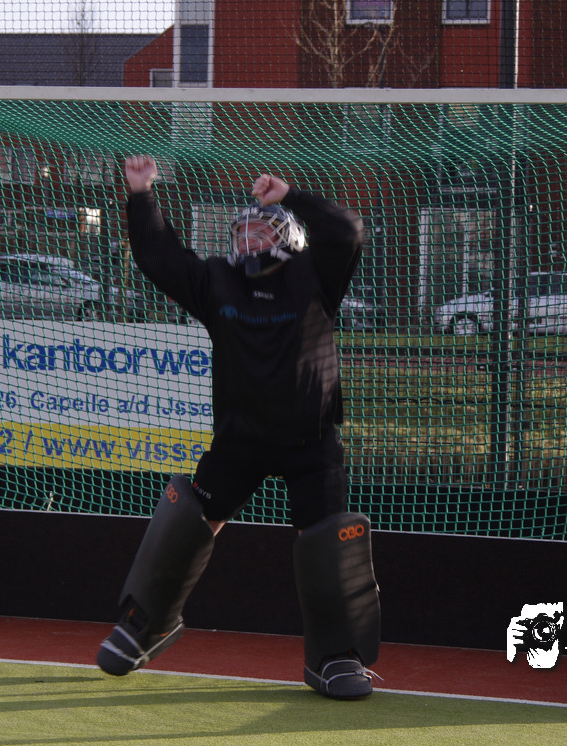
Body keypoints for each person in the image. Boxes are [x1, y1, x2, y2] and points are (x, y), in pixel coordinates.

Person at [95, 155, 381, 700]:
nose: (248, 237)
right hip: (239, 440)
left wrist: (289, 195)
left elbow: (347, 229)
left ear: (288, 237)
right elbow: (158, 256)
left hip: (311, 442)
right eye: (241, 231)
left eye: (261, 228)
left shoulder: (316, 273)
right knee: (190, 519)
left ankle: (335, 657)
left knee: (325, 539)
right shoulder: (217, 281)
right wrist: (141, 194)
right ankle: (145, 625)